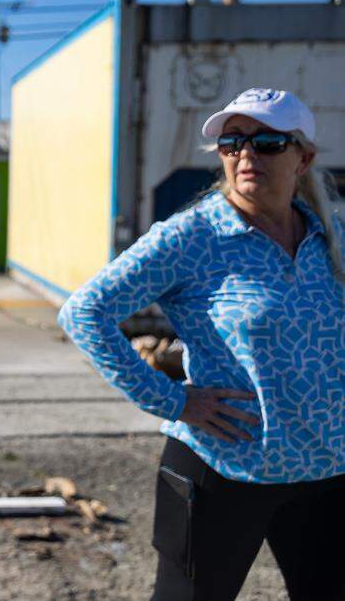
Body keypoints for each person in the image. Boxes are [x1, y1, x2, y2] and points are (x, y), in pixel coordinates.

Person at [59, 88, 345, 600]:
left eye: (268, 142)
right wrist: (170, 399)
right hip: (223, 467)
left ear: (303, 157)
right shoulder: (192, 237)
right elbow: (83, 312)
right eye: (232, 142)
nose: (246, 154)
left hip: (327, 472)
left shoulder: (333, 234)